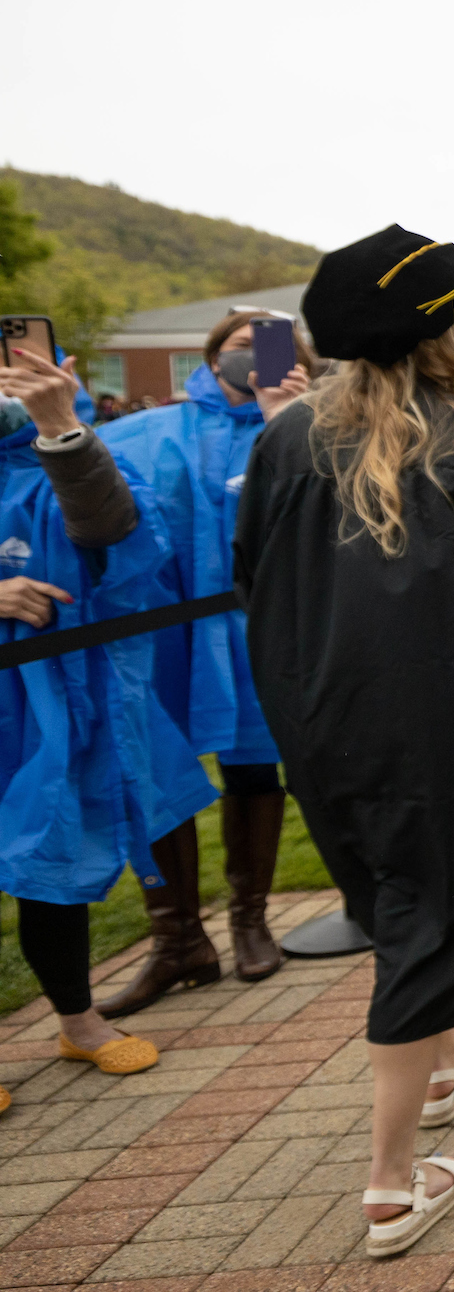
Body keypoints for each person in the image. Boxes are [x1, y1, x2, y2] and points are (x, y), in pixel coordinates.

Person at [236, 226, 454, 1257]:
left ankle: (439, 1063)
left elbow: (252, 568)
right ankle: (388, 1185)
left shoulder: (282, 436)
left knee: (395, 889)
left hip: (315, 706)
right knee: (436, 909)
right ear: (445, 327)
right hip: (440, 713)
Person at [2, 346, 217, 1111]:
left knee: (55, 855)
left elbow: (120, 538)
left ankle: (77, 1019)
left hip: (59, 702)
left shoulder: (73, 452)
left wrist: (57, 424)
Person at [97, 307, 321, 1008]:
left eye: (269, 345)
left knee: (255, 770)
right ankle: (177, 941)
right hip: (164, 634)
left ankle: (249, 919)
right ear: (212, 352)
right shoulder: (146, 431)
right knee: (157, 774)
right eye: (238, 345)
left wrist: (293, 410)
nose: (250, 355)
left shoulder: (306, 429)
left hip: (257, 631)